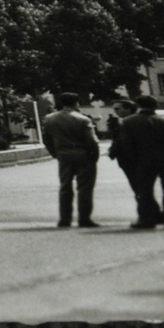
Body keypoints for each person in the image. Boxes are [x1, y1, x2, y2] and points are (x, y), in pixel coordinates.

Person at [110, 94, 164, 229]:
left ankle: (147, 220)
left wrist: (135, 160)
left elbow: (127, 144)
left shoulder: (128, 122)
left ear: (138, 106)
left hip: (144, 161)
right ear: (156, 106)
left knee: (144, 191)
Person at [41, 92, 102, 228]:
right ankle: (84, 219)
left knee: (65, 186)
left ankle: (65, 219)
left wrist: (55, 153)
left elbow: (47, 139)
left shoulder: (50, 119)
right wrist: (94, 156)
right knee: (85, 187)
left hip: (63, 154)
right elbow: (92, 141)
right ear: (76, 103)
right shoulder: (83, 119)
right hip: (83, 154)